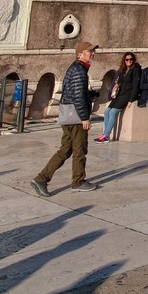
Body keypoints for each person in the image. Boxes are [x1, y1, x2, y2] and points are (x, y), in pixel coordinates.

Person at [32, 41, 99, 195]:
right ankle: (78, 181)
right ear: (80, 54)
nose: (93, 54)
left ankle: (41, 179)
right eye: (90, 51)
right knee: (79, 149)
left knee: (65, 150)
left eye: (93, 51)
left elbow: (76, 92)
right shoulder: (79, 70)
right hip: (75, 116)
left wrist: (90, 95)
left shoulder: (78, 69)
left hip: (70, 114)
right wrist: (84, 117)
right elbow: (77, 96)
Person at [96, 51, 140, 143]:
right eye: (127, 59)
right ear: (124, 60)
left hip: (127, 95)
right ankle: (104, 134)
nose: (129, 61)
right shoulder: (122, 70)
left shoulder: (136, 69)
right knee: (107, 112)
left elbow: (136, 85)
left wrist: (131, 99)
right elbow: (119, 81)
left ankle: (106, 135)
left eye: (131, 59)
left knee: (113, 112)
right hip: (119, 94)